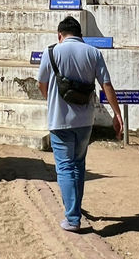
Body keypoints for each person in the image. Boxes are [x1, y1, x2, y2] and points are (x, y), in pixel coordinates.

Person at [37, 16, 123, 232]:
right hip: (85, 121)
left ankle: (73, 217)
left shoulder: (51, 52)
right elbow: (106, 84)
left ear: (60, 35)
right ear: (80, 35)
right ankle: (74, 209)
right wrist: (117, 113)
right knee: (78, 164)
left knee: (65, 167)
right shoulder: (93, 52)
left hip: (60, 120)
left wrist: (53, 101)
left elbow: (41, 84)